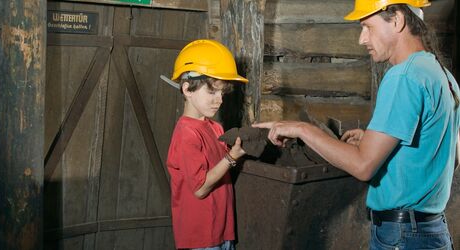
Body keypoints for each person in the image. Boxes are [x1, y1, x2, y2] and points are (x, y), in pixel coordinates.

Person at [253, 0, 459, 249]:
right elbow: (449, 156)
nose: (362, 39)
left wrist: (303, 129)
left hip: (402, 235)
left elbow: (363, 166)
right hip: (432, 231)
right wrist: (375, 139)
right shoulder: (442, 75)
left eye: (367, 27)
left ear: (397, 20)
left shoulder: (402, 77)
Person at [164, 39, 248, 250]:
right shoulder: (186, 133)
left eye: (222, 93)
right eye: (212, 92)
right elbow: (200, 189)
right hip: (200, 236)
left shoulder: (215, 128)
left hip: (223, 229)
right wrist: (231, 158)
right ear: (187, 89)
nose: (219, 100)